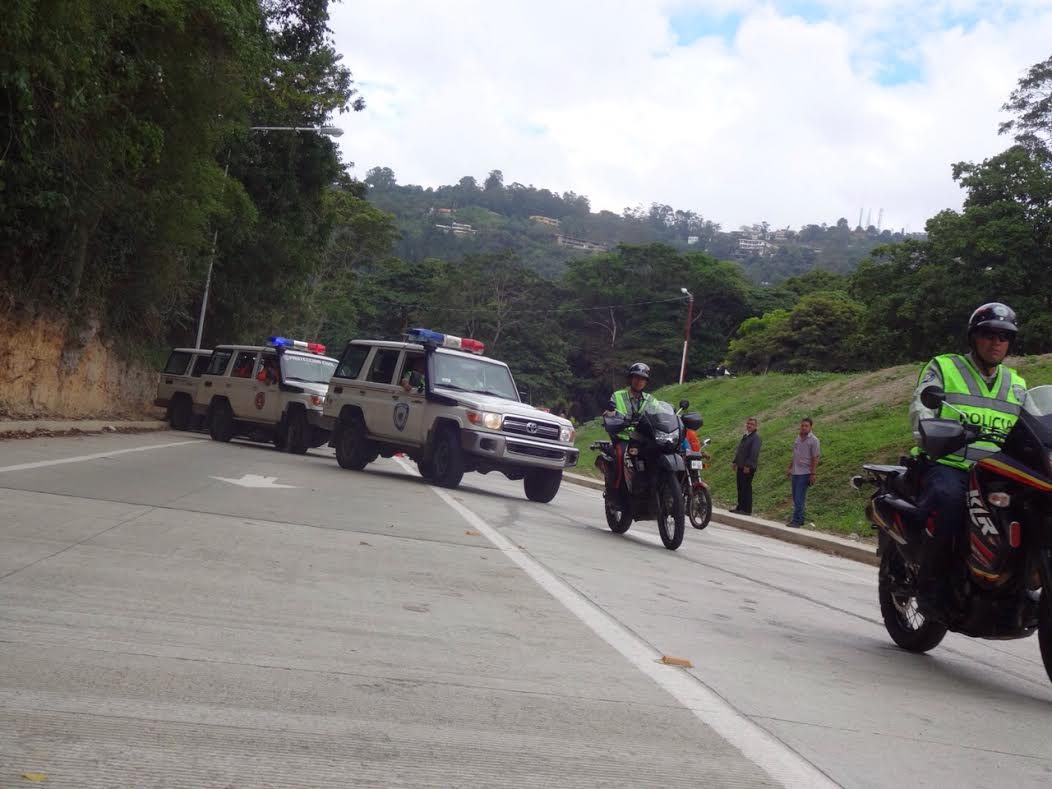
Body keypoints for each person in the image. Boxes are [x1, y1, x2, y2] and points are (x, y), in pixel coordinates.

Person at [909, 302, 1026, 620]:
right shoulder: (944, 367)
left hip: (998, 474)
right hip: (950, 465)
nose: (996, 342)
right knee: (948, 502)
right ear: (974, 337)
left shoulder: (1017, 384)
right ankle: (930, 586)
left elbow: (1028, 427)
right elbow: (922, 409)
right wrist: (935, 433)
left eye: (1004, 336)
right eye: (989, 335)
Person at [602, 362, 653, 494]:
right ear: (631, 379)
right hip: (623, 437)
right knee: (620, 457)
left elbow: (659, 412)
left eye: (642, 379)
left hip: (643, 439)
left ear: (646, 382)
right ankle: (615, 491)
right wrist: (611, 415)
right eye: (636, 377)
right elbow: (610, 412)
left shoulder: (650, 399)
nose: (639, 381)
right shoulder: (618, 395)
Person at [785, 418, 819, 527]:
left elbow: (815, 457)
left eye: (806, 426)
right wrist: (790, 468)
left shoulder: (814, 440)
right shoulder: (798, 438)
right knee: (795, 497)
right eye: (802, 425)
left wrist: (812, 473)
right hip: (795, 471)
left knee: (799, 497)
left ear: (810, 427)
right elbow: (795, 454)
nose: (804, 427)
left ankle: (796, 521)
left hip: (805, 472)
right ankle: (800, 518)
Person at [731, 417, 761, 515]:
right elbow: (740, 450)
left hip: (748, 467)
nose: (749, 425)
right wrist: (735, 462)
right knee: (740, 487)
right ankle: (740, 507)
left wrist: (748, 465)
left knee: (746, 487)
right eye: (748, 423)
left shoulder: (756, 438)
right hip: (740, 465)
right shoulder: (746, 436)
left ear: (755, 426)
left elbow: (754, 453)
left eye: (752, 424)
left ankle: (746, 509)